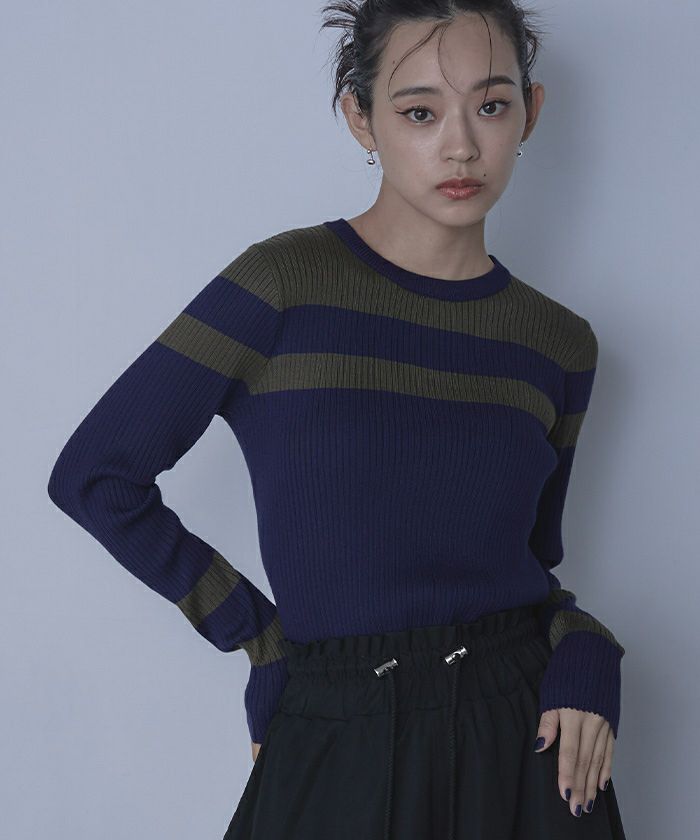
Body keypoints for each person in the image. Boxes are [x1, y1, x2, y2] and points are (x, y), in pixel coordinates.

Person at [47, 1, 628, 837]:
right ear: (360, 117)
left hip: (525, 742)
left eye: (492, 105)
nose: (461, 145)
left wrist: (586, 644)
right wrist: (256, 634)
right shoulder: (281, 287)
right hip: (339, 729)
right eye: (420, 111)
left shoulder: (559, 343)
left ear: (530, 113)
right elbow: (96, 476)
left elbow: (530, 565)